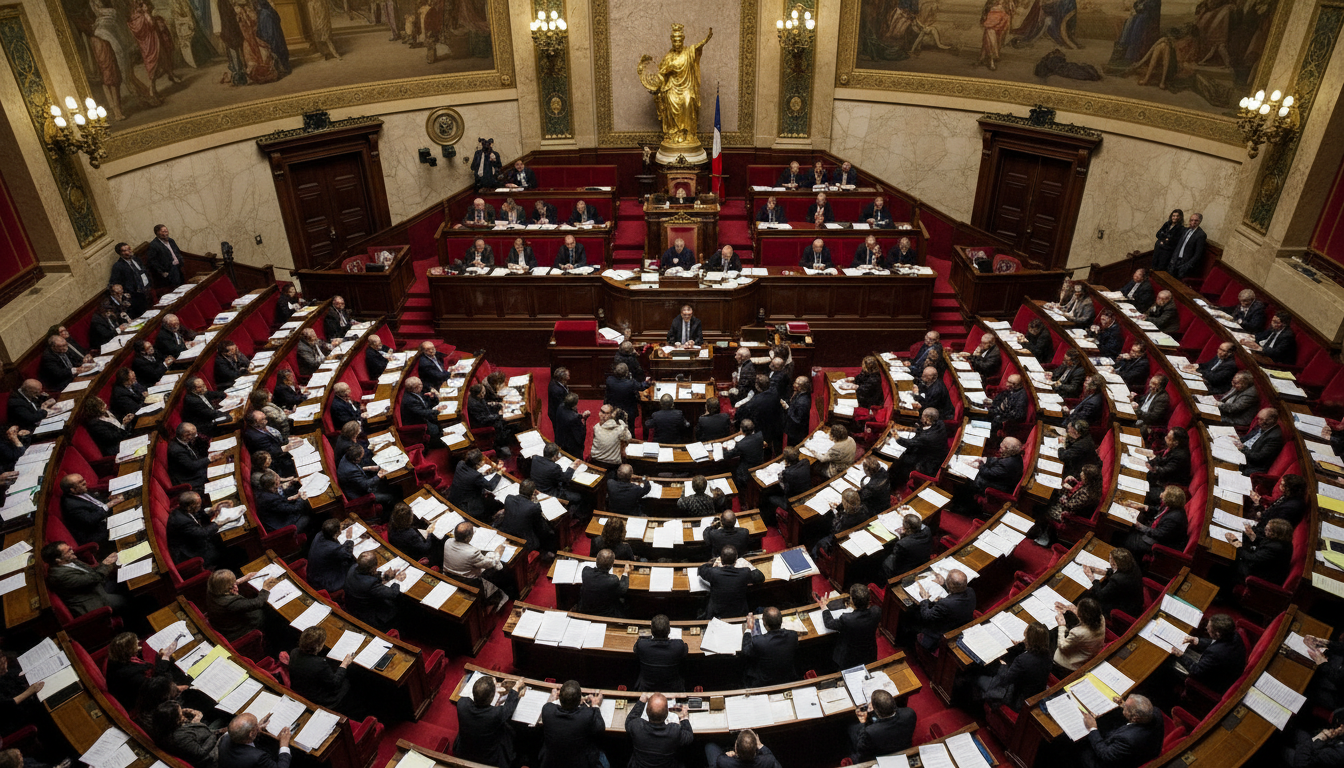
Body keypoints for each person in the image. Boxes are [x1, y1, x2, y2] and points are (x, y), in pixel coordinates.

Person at [977, 622, 1052, 710]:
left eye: (1026, 638)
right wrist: (1021, 646)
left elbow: (1006, 680)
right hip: (1034, 691)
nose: (1024, 639)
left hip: (1017, 699)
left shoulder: (1022, 660)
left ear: (1029, 640)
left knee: (979, 677)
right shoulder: (1048, 655)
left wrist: (1003, 665)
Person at [1076, 694, 1165, 768]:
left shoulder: (1128, 739)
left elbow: (1105, 754)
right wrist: (1122, 704)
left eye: (1126, 707)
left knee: (1079, 747)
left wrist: (1092, 728)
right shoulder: (1155, 712)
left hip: (1118, 763)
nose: (1123, 705)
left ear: (1135, 718)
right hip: (1147, 748)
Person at [1170, 613, 1245, 694]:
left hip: (1214, 683)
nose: (1206, 628)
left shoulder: (1215, 653)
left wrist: (1181, 655)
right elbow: (1216, 642)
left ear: (1217, 634)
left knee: (1170, 662)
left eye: (1209, 628)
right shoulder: (1234, 635)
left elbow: (1196, 671)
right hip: (1225, 669)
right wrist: (1197, 640)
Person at [43, 542, 125, 616]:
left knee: (124, 584)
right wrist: (107, 563)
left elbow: (91, 571)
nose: (72, 550)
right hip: (93, 601)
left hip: (95, 587)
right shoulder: (60, 576)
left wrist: (106, 564)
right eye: (68, 550)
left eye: (70, 547)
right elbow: (95, 578)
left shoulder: (68, 559)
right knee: (126, 599)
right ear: (58, 560)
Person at [454, 675, 519, 768]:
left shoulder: (462, 703)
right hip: (489, 759)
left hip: (464, 751)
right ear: (492, 697)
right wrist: (515, 688)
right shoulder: (496, 714)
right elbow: (509, 707)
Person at [444, 522, 511, 611]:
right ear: (468, 538)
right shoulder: (472, 552)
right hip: (469, 582)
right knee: (497, 570)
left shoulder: (448, 542)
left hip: (449, 576)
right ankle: (490, 605)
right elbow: (491, 563)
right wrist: (498, 552)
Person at [540, 680, 608, 768]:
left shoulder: (547, 710)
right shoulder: (588, 715)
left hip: (551, 762)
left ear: (560, 699)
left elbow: (549, 705)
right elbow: (600, 728)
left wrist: (552, 697)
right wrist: (596, 705)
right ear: (579, 700)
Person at [288, 626, 353, 712]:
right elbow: (335, 683)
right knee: (347, 682)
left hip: (301, 689)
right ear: (319, 646)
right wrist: (344, 664)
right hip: (321, 699)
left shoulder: (294, 652)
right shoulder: (319, 664)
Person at [206, 569, 279, 641]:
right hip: (239, 630)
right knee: (271, 612)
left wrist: (245, 578)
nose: (235, 587)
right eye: (232, 586)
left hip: (227, 621)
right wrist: (266, 588)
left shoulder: (213, 590)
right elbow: (258, 603)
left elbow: (224, 585)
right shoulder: (230, 603)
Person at [846, 689, 916, 764]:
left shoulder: (870, 732)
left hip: (880, 756)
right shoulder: (910, 713)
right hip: (903, 745)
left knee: (851, 728)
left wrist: (865, 722)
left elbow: (861, 749)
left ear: (877, 712)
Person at [625, 692, 693, 767]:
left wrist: (641, 701)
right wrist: (684, 718)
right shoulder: (674, 731)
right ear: (667, 714)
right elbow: (689, 736)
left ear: (647, 712)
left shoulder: (637, 726)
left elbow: (629, 720)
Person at [914, 569, 975, 649]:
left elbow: (927, 616)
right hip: (961, 622)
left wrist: (924, 600)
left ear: (949, 584)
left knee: (915, 616)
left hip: (941, 634)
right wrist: (944, 584)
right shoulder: (971, 591)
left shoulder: (945, 604)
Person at [344, 551, 405, 632]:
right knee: (400, 603)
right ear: (373, 568)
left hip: (352, 604)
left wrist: (384, 577)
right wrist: (396, 580)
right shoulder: (370, 584)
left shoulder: (353, 567)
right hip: (368, 614)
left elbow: (368, 577)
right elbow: (393, 593)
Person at [824, 583, 881, 669]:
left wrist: (824, 609)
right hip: (869, 654)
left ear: (852, 602)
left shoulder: (847, 619)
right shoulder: (876, 611)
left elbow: (829, 623)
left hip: (849, 659)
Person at [1122, 485, 1189, 558]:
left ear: (1170, 500)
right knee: (1131, 526)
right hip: (1155, 530)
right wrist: (1145, 507)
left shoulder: (1173, 519)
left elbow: (1158, 534)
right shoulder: (1173, 507)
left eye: (1164, 494)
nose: (1160, 495)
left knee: (1126, 539)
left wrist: (1139, 525)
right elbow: (1160, 512)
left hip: (1158, 543)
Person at [698, 545, 764, 619]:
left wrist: (712, 562)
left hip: (717, 614)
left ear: (721, 560)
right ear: (736, 559)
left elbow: (701, 569)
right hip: (739, 612)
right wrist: (748, 565)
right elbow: (760, 577)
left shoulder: (713, 572)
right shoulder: (745, 572)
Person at [152, 700, 222, 768]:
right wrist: (215, 734)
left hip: (201, 735)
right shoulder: (179, 737)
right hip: (209, 755)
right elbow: (200, 753)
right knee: (221, 720)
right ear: (175, 719)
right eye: (180, 713)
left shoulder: (161, 727)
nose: (182, 712)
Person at [59, 473, 123, 548]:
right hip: (99, 532)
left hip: (105, 518)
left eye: (83, 480)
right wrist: (108, 505)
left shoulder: (80, 491)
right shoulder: (71, 505)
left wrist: (109, 499)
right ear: (72, 490)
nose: (84, 482)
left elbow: (96, 503)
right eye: (80, 482)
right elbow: (91, 519)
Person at [739, 607, 798, 687]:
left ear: (764, 623)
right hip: (787, 676)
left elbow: (745, 650)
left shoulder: (759, 641)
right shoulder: (793, 635)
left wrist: (749, 629)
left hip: (765, 681)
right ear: (781, 621)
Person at [166, 491, 226, 570]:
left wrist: (210, 513)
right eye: (198, 505)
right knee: (221, 551)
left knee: (218, 540)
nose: (200, 506)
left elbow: (197, 514)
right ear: (191, 506)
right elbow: (202, 533)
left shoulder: (182, 510)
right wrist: (217, 524)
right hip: (188, 553)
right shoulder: (182, 522)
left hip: (191, 542)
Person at [1082, 548, 1144, 618]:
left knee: (1090, 598)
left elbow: (1100, 595)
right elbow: (1120, 570)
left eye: (1110, 559)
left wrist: (1092, 578)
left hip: (1126, 609)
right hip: (1136, 600)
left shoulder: (1116, 579)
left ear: (1114, 563)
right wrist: (1104, 572)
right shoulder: (1133, 565)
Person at [1229, 517, 1293, 584]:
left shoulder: (1275, 548)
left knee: (1232, 559)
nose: (1265, 530)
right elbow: (1264, 542)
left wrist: (1237, 544)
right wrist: (1252, 536)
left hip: (1258, 576)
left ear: (1275, 534)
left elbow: (1252, 558)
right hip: (1261, 565)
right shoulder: (1281, 540)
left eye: (1268, 530)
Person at [497, 480, 554, 555]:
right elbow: (540, 527)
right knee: (549, 532)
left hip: (506, 532)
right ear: (533, 493)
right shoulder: (534, 507)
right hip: (524, 539)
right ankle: (548, 552)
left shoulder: (509, 498)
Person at [634, 614, 687, 691]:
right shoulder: (678, 646)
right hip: (672, 688)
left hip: (647, 687)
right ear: (669, 631)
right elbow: (685, 650)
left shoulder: (642, 645)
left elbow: (635, 649)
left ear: (651, 631)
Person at [217, 713, 291, 768]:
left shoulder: (225, 737)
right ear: (251, 734)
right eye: (256, 725)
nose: (258, 726)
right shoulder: (258, 757)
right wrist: (284, 745)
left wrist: (256, 729)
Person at [1054, 597, 1106, 672]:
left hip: (1071, 664)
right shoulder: (1101, 618)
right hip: (1089, 650)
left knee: (1052, 634)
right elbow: (1088, 620)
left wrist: (1061, 626)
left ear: (1082, 615)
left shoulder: (1078, 632)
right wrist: (1073, 609)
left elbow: (1062, 646)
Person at [307, 518, 357, 594]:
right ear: (336, 533)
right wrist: (349, 538)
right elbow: (348, 554)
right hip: (326, 582)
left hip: (314, 574)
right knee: (354, 564)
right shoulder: (333, 548)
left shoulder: (319, 535)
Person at [880, 513, 933, 580]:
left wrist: (902, 536)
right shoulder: (927, 530)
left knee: (886, 561)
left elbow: (897, 559)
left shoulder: (902, 544)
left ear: (907, 529)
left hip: (908, 568)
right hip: (923, 559)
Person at [108, 243, 151, 316]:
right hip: (135, 296)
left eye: (129, 249)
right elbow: (115, 283)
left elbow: (144, 271)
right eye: (125, 251)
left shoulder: (136, 259)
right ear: (120, 253)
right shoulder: (118, 266)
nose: (129, 251)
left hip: (147, 290)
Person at [706, 729, 781, 768]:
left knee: (710, 747)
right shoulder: (768, 760)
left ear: (735, 747)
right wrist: (761, 745)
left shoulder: (724, 762)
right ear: (756, 750)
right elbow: (773, 760)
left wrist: (726, 754)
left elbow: (721, 758)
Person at [1169, 213, 1206, 279]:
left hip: (1185, 263)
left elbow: (1198, 254)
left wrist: (1187, 265)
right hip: (1176, 260)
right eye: (1191, 220)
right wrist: (1173, 258)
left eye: (1196, 220)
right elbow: (1179, 245)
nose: (1193, 222)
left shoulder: (1201, 235)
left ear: (1200, 221)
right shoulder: (1186, 230)